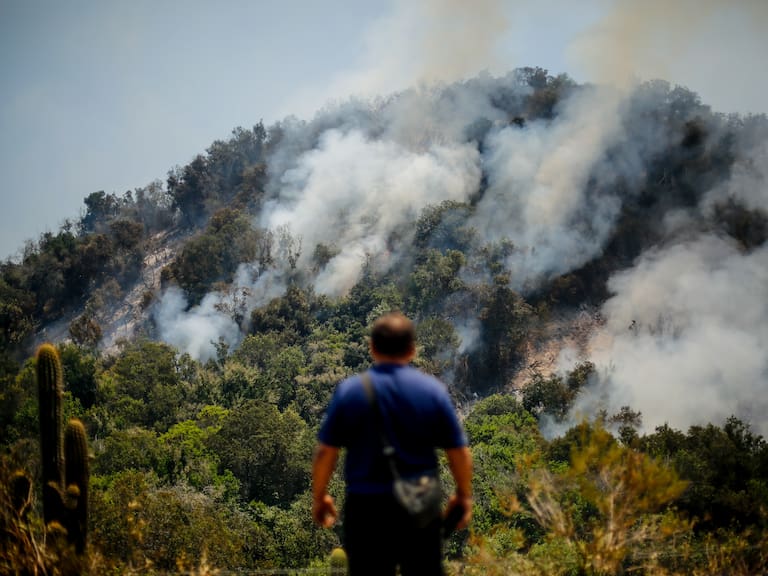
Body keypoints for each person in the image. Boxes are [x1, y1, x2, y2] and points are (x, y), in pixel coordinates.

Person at [312, 312, 473, 576]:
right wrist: (463, 495)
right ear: (412, 349)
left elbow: (325, 453)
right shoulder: (432, 391)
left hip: (366, 511)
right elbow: (458, 452)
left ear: (372, 348)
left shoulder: (349, 392)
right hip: (419, 508)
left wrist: (320, 497)